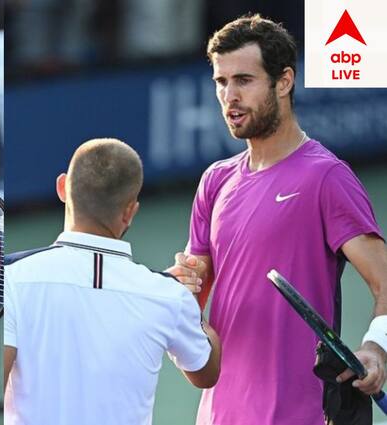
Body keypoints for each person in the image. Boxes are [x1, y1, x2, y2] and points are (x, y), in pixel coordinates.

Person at [169, 14, 387, 424]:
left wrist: (376, 348)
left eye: (244, 80)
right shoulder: (214, 182)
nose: (229, 96)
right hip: (219, 415)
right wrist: (178, 288)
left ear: (283, 82)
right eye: (221, 82)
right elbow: (192, 299)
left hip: (298, 415)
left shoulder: (326, 177)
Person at [3, 138, 221, 425]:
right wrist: (188, 300)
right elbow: (207, 371)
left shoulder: (10, 279)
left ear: (62, 187)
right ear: (131, 210)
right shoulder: (169, 295)